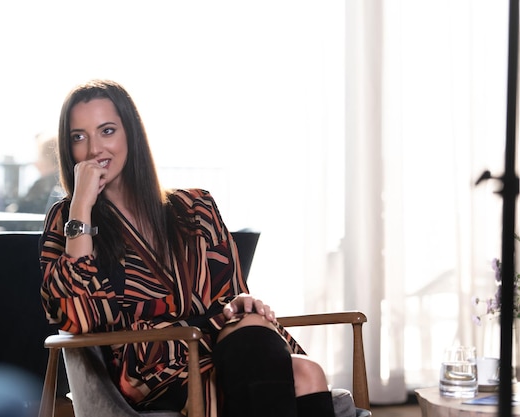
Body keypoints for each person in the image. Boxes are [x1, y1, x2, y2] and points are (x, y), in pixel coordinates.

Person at [39, 79, 335, 417]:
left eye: (107, 131)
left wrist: (240, 303)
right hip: (153, 370)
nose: (94, 149)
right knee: (280, 376)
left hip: (225, 344)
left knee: (306, 371)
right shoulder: (68, 217)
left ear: (130, 135)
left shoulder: (195, 206)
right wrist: (82, 207)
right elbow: (78, 317)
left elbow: (229, 295)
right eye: (79, 137)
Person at [13, 133, 63, 214]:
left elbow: (22, 211)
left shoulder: (42, 185)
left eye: (39, 156)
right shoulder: (67, 181)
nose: (36, 162)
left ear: (46, 158)